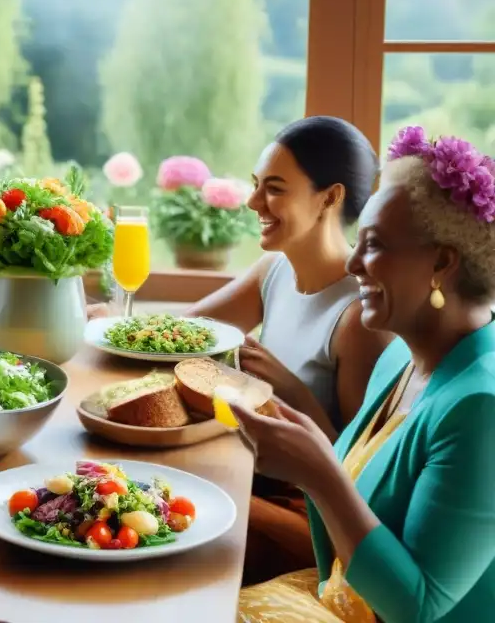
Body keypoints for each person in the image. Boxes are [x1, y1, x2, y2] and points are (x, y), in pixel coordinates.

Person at [90, 117, 394, 582]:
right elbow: (180, 332)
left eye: (273, 188)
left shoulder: (357, 317)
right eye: (255, 185)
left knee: (148, 511)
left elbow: (356, 476)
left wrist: (288, 388)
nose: (254, 203)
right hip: (246, 469)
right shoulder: (273, 269)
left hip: (306, 520)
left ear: (329, 198)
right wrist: (113, 323)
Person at [236, 126, 495, 622]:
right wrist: (310, 451)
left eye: (373, 245)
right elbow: (338, 551)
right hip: (335, 598)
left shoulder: (482, 405)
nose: (353, 263)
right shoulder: (400, 357)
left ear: (441, 263)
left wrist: (322, 475)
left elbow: (417, 607)